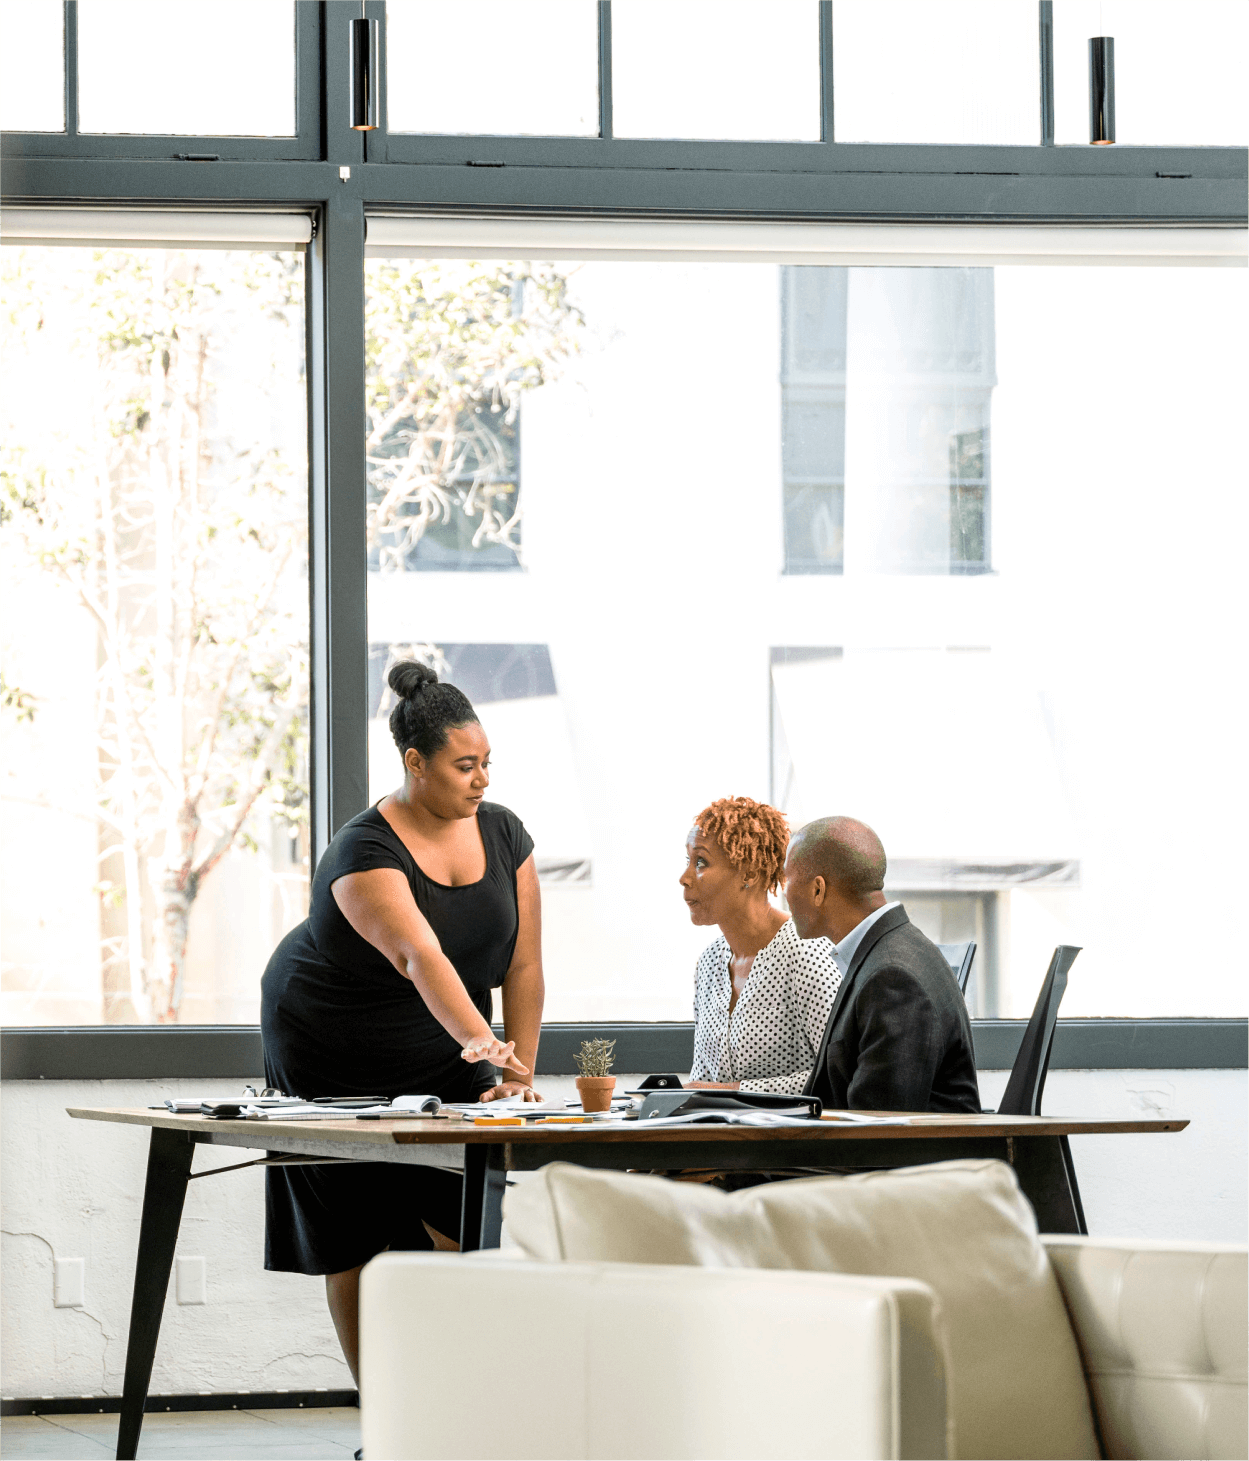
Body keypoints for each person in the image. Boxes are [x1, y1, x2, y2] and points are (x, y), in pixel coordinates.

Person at [260, 660, 544, 1385]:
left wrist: (517, 1073)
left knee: (462, 1216)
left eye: (486, 763)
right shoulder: (362, 851)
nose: (480, 779)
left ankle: (452, 1409)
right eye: (463, 765)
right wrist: (482, 1043)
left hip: (441, 1030)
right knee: (356, 1234)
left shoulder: (506, 836)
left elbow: (522, 967)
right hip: (331, 1035)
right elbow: (420, 955)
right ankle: (386, 1421)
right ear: (415, 763)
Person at [783, 815, 980, 1113]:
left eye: (787, 879)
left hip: (903, 1159)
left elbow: (878, 1129)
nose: (783, 893)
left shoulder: (892, 977)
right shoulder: (887, 953)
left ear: (818, 890)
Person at [680, 796, 840, 1094]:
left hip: (790, 1138)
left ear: (750, 873)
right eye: (687, 861)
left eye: (700, 862)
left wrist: (734, 1091)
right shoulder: (710, 963)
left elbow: (836, 1076)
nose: (684, 878)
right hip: (722, 1136)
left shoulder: (806, 954)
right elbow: (702, 1082)